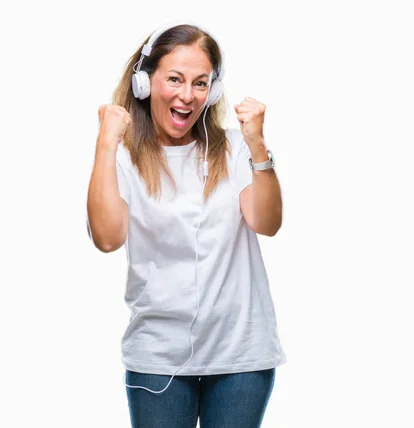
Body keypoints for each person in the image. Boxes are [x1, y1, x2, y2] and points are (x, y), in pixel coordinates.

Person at [86, 22, 286, 428]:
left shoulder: (232, 149)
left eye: (200, 83)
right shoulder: (122, 157)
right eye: (174, 79)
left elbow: (267, 223)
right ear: (144, 83)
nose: (187, 95)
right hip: (157, 357)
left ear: (212, 91)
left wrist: (258, 146)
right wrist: (105, 145)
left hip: (240, 356)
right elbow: (107, 239)